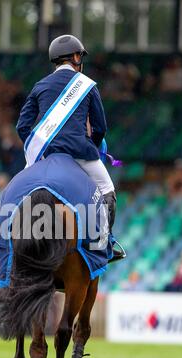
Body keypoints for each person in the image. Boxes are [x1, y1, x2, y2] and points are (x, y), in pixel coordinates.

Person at [16, 34, 124, 262]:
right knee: (107, 189)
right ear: (75, 57)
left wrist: (40, 151)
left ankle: (8, 246)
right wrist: (92, 146)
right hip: (80, 153)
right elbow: (100, 127)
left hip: (47, 155)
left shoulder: (40, 85)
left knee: (15, 194)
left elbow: (22, 126)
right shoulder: (86, 85)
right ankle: (104, 242)